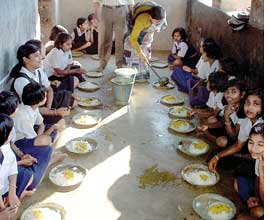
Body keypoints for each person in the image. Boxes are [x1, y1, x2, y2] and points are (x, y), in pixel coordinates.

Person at [10, 42, 72, 125]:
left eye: (39, 55)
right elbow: (31, 108)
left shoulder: (37, 70)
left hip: (42, 102)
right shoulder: (21, 81)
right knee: (60, 122)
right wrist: (54, 112)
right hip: (31, 112)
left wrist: (48, 108)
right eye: (36, 56)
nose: (41, 58)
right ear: (25, 59)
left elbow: (49, 89)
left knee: (67, 96)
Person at [208, 88, 263, 173]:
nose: (249, 107)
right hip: (251, 154)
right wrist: (217, 157)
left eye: (256, 104)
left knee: (239, 171)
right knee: (214, 156)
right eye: (247, 103)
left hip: (261, 160)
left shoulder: (263, 125)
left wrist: (240, 155)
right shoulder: (247, 121)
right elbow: (238, 145)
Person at [124, 2, 167, 80]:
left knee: (146, 45)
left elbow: (162, 25)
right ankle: (132, 71)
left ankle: (144, 71)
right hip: (135, 17)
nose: (159, 23)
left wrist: (151, 32)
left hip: (149, 21)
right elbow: (133, 38)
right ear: (150, 17)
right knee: (131, 45)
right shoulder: (141, 20)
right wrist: (139, 51)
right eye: (157, 22)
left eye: (159, 21)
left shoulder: (162, 15)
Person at [93, 0, 135, 73]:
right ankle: (102, 64)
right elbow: (96, 1)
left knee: (120, 40)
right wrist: (95, 13)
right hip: (105, 10)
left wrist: (132, 14)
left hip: (121, 10)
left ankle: (120, 64)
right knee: (104, 39)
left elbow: (130, 2)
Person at [235, 123, 264, 220]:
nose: (253, 149)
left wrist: (262, 173)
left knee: (243, 217)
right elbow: (257, 179)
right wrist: (256, 198)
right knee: (237, 183)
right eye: (251, 142)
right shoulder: (260, 157)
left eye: (261, 144)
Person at [0, 114, 22, 212]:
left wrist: (12, 192)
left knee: (29, 175)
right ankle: (22, 193)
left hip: (5, 188)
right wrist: (3, 209)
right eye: (10, 133)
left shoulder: (5, 145)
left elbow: (12, 167)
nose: (12, 135)